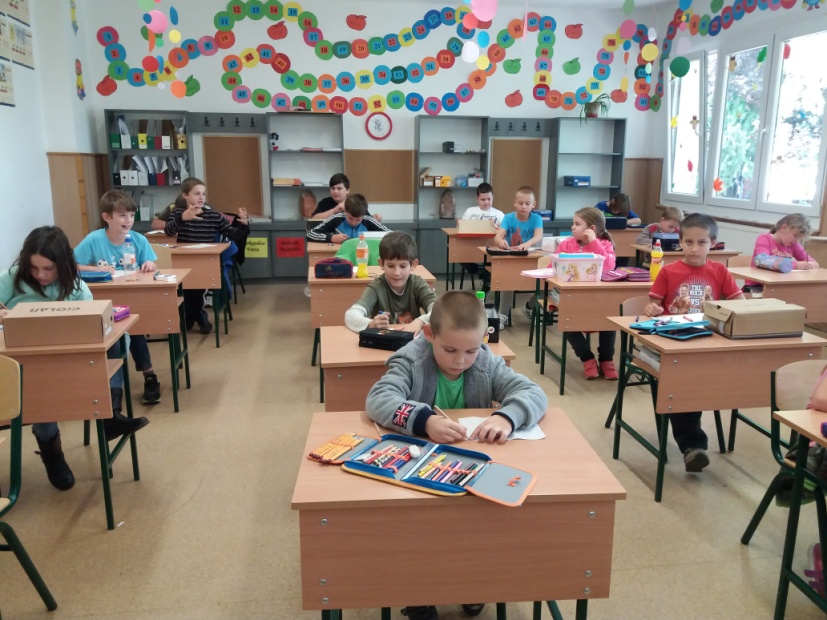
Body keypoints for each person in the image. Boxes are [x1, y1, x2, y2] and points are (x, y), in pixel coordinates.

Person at [366, 290, 547, 620]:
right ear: (429, 334)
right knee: (418, 531)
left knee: (477, 527)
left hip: (468, 468)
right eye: (449, 350)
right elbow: (379, 399)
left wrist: (506, 417)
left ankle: (470, 583)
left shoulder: (486, 362)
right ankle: (418, 596)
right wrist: (425, 421)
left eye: (471, 350)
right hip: (419, 473)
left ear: (484, 339)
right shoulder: (411, 361)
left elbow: (533, 393)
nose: (461, 360)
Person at [0, 227, 149, 491]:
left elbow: (93, 324)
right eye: (34, 268)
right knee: (39, 389)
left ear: (62, 265)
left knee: (117, 340)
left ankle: (111, 414)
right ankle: (52, 451)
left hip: (65, 362)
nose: (40, 275)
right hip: (20, 361)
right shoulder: (12, 278)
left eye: (48, 268)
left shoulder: (76, 286)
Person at [644, 213, 744, 473]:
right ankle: (693, 446)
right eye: (688, 242)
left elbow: (740, 303)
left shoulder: (719, 271)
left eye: (701, 242)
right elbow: (652, 305)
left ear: (713, 243)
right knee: (683, 382)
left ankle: (693, 441)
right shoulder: (668, 271)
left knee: (704, 379)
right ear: (680, 242)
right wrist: (653, 309)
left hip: (709, 341)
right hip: (675, 342)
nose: (694, 248)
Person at [74, 190, 162, 404]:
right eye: (122, 215)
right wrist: (95, 269)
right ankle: (112, 386)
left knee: (135, 329)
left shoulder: (138, 240)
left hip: (132, 299)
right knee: (113, 333)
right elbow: (72, 265)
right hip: (104, 303)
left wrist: (149, 264)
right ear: (107, 217)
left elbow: (151, 264)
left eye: (131, 215)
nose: (128, 220)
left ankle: (149, 375)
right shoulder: (94, 239)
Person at [164, 177, 250, 334]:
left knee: (196, 289)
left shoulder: (212, 215)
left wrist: (244, 225)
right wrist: (182, 219)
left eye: (203, 194)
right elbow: (168, 231)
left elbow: (232, 234)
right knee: (184, 289)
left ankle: (192, 317)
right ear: (185, 195)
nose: (201, 197)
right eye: (196, 193)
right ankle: (198, 316)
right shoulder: (177, 213)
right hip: (182, 263)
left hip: (204, 263)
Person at [554, 207, 618, 379]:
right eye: (573, 223)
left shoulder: (605, 244)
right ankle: (587, 358)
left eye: (577, 224)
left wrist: (594, 242)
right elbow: (553, 266)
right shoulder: (566, 244)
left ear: (592, 229)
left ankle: (606, 359)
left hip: (598, 299)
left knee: (610, 318)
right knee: (566, 319)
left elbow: (609, 267)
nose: (572, 227)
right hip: (571, 299)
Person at [344, 232, 436, 335]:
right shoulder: (376, 287)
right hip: (384, 341)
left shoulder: (417, 283)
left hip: (411, 340)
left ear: (413, 265)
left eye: (403, 266)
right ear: (381, 264)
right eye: (391, 266)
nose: (397, 273)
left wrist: (421, 321)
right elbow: (351, 315)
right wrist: (371, 324)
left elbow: (440, 310)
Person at [492, 186, 544, 328]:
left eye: (527, 203)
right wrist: (500, 241)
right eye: (520, 203)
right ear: (515, 203)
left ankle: (529, 307)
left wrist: (527, 244)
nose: (523, 206)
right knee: (508, 282)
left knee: (547, 285)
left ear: (533, 205)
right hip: (513, 260)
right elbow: (498, 236)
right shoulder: (508, 218)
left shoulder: (537, 219)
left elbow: (538, 235)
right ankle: (503, 315)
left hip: (531, 259)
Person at [745, 213, 820, 292]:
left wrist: (811, 263)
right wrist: (795, 265)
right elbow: (761, 260)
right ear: (784, 228)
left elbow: (807, 259)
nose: (797, 241)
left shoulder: (793, 244)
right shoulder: (764, 239)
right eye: (795, 236)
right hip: (757, 286)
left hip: (778, 284)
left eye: (799, 238)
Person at [458, 182, 503, 291]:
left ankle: (486, 285)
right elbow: (462, 227)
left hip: (490, 247)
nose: (486, 202)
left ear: (493, 197)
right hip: (471, 246)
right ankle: (479, 270)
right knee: (458, 254)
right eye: (483, 199)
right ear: (477, 198)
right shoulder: (470, 211)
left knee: (490, 260)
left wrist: (499, 228)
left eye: (489, 199)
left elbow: (505, 231)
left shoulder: (499, 214)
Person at [306, 193, 388, 244]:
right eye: (350, 218)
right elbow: (310, 234)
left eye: (358, 220)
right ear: (345, 211)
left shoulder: (368, 220)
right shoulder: (337, 219)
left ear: (363, 215)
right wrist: (331, 238)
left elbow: (391, 235)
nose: (354, 223)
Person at [310, 173, 383, 222]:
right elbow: (313, 219)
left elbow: (365, 218)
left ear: (347, 190)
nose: (335, 191)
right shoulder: (325, 202)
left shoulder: (355, 202)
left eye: (339, 189)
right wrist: (334, 211)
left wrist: (375, 217)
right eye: (333, 188)